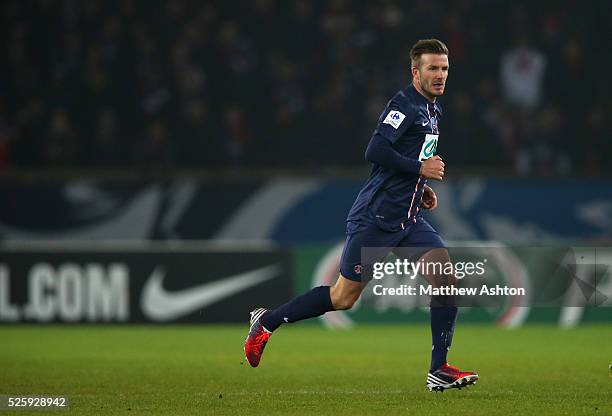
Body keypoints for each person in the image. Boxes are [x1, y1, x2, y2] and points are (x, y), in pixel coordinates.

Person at [244, 39, 478, 392]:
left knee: (445, 280)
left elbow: (408, 161)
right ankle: (267, 322)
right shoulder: (404, 104)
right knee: (343, 297)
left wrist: (420, 186)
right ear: (416, 72)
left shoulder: (434, 110)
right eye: (432, 68)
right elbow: (376, 149)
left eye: (444, 68)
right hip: (377, 218)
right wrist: (419, 167)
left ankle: (439, 368)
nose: (440, 75)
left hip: (409, 219)